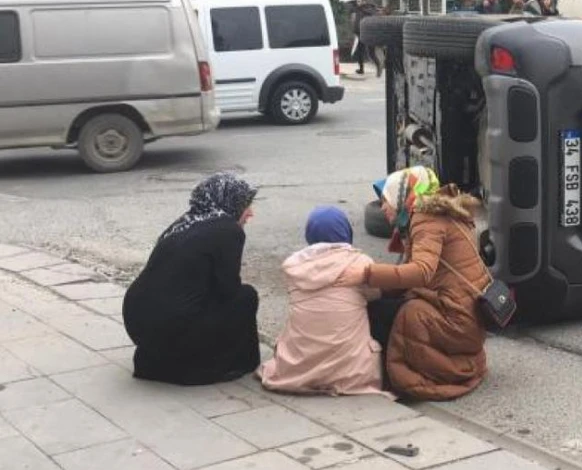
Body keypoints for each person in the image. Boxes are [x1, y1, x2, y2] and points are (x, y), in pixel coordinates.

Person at [337, 166, 489, 401]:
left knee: (395, 312)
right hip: (471, 316)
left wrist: (366, 274)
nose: (383, 208)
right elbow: (411, 276)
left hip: (457, 320)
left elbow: (421, 272)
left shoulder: (425, 218)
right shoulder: (444, 212)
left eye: (385, 201)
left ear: (402, 197)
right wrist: (378, 288)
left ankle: (387, 376)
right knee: (388, 301)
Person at [123, 173, 261, 386]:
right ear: (230, 202)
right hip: (172, 328)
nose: (250, 213)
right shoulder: (228, 230)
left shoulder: (186, 221)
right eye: (245, 205)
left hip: (137, 321)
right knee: (246, 297)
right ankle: (234, 363)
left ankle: (164, 358)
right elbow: (229, 290)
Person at [258, 206, 392, 396]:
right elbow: (376, 295)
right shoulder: (360, 262)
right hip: (352, 371)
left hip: (298, 366)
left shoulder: (294, 266)